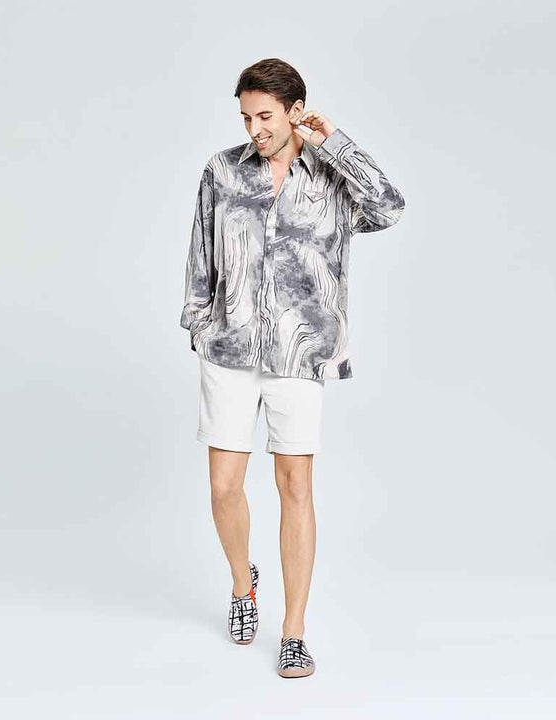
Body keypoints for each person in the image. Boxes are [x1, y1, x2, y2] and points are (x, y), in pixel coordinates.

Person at [179, 58, 406, 678]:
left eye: (266, 116)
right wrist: (199, 325)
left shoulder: (331, 177)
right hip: (229, 348)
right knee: (224, 486)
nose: (255, 129)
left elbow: (389, 206)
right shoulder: (222, 171)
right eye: (246, 118)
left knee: (295, 487)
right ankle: (242, 584)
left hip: (299, 353)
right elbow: (201, 253)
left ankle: (294, 631)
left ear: (295, 111)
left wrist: (334, 141)